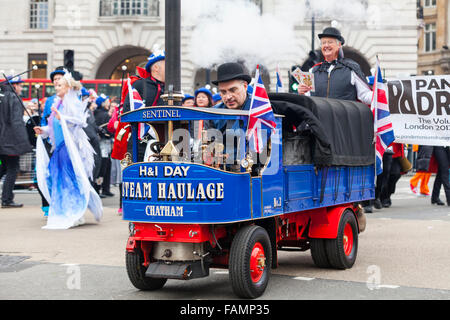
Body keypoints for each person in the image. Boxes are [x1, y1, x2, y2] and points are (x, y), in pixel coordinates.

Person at [33, 70, 102, 229]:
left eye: (60, 85)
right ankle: (64, 211)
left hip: (70, 150)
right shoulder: (56, 104)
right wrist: (42, 131)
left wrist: (62, 118)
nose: (56, 87)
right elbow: (54, 127)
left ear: (68, 87)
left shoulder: (72, 103)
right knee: (59, 182)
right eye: (56, 85)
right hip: (58, 149)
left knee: (71, 181)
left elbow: (80, 122)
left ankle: (76, 212)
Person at [297, 27, 372, 105]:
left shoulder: (351, 68)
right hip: (320, 116)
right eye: (323, 43)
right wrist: (301, 92)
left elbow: (364, 95)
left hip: (343, 116)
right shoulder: (313, 71)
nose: (326, 45)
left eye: (330, 42)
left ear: (339, 45)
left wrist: (380, 94)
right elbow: (308, 99)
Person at [122, 50, 165, 162]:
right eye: (166, 64)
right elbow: (127, 110)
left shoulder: (170, 89)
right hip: (140, 142)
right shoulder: (140, 85)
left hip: (164, 142)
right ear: (156, 67)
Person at [0, 76, 33, 208]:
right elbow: (16, 122)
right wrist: (23, 143)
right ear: (13, 86)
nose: (21, 88)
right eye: (19, 85)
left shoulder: (1, 96)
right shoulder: (13, 98)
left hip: (2, 139)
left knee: (4, 167)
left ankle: (6, 198)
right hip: (10, 140)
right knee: (13, 168)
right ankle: (7, 199)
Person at [94, 94, 114, 198]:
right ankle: (99, 189)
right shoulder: (105, 115)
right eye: (106, 101)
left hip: (100, 145)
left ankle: (104, 189)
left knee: (105, 166)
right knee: (103, 168)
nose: (108, 103)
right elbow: (108, 131)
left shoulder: (95, 114)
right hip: (104, 145)